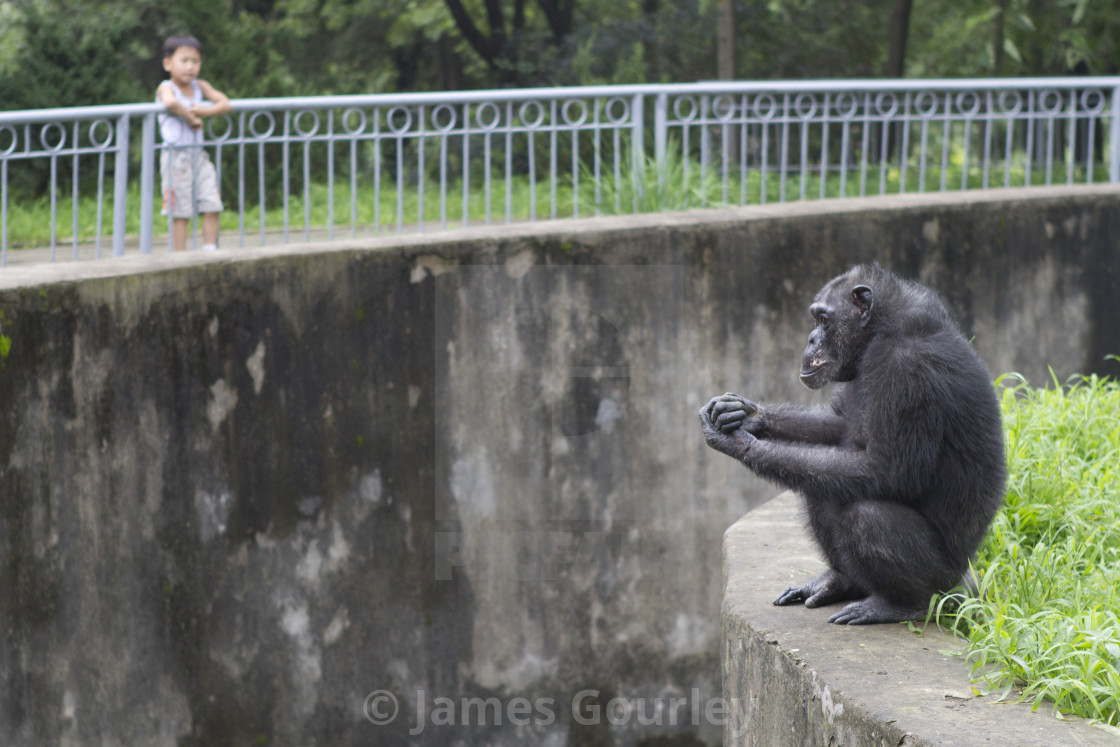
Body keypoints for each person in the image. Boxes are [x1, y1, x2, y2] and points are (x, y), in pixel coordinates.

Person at [157, 35, 231, 252]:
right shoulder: (166, 86)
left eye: (195, 61)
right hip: (175, 157)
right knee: (181, 211)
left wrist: (203, 112)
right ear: (168, 63)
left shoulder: (201, 86)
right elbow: (170, 102)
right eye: (184, 60)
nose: (190, 67)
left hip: (198, 155)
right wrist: (191, 119)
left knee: (212, 203)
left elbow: (225, 103)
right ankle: (180, 258)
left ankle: (210, 251)